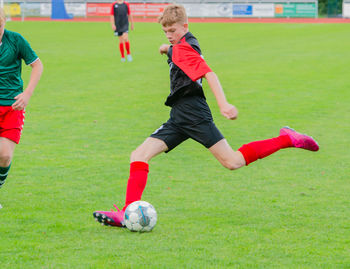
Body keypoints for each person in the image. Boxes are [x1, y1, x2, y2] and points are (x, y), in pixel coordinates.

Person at [93, 4, 319, 227]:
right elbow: (174, 50)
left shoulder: (183, 50)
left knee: (232, 161)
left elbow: (209, 74)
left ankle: (287, 139)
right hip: (179, 116)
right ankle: (126, 213)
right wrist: (165, 47)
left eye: (173, 31)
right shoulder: (183, 44)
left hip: (194, 115)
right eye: (165, 31)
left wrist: (223, 104)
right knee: (139, 155)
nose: (169, 35)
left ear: (185, 26)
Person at [0, 8, 43, 209]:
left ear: (5, 21)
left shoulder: (16, 40)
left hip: (12, 106)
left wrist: (27, 93)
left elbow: (37, 65)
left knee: (5, 155)